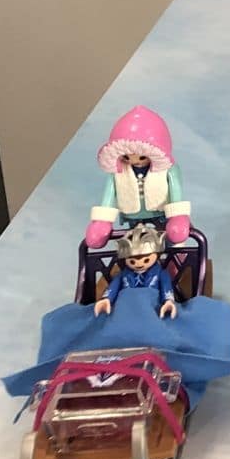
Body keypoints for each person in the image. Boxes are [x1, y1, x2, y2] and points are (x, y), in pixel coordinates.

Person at [83, 106, 191, 249]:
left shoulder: (168, 170)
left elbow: (175, 193)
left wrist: (177, 216)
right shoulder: (118, 172)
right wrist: (102, 221)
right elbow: (107, 198)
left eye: (142, 157)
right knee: (134, 245)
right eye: (127, 157)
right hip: (132, 216)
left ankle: (177, 256)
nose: (134, 161)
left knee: (173, 240)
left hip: (161, 214)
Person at [94, 224, 177, 320]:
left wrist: (168, 301)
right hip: (126, 305)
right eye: (132, 261)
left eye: (146, 260)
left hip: (151, 306)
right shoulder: (123, 274)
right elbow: (113, 287)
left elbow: (166, 288)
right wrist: (106, 299)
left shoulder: (160, 273)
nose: (139, 264)